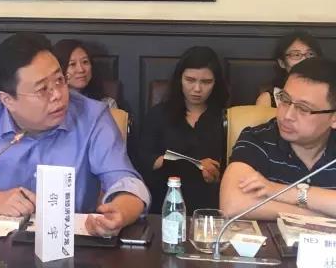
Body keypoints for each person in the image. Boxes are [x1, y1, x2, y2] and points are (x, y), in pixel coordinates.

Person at [0, 33, 149, 237]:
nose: (58, 95)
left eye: (60, 80)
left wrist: (121, 212)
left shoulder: (92, 117)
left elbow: (128, 184)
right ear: (8, 100)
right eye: (42, 89)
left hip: (71, 248)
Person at [220, 58, 336, 220]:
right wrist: (321, 215)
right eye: (285, 100)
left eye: (303, 108)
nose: (287, 115)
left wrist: (279, 191)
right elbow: (232, 204)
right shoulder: (258, 139)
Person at [139, 46, 228, 213]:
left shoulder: (227, 118)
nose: (197, 89)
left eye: (206, 82)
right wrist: (191, 164)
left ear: (216, 83)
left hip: (210, 205)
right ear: (179, 79)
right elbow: (144, 159)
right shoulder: (159, 114)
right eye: (190, 80)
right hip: (164, 200)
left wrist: (217, 175)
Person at [256, 30, 322, 107]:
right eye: (296, 55)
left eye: (310, 54)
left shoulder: (329, 92)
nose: (305, 60)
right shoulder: (269, 99)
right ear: (282, 63)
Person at [52, 39, 122, 110]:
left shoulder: (106, 104)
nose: (81, 70)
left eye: (85, 62)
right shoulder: (51, 105)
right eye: (72, 64)